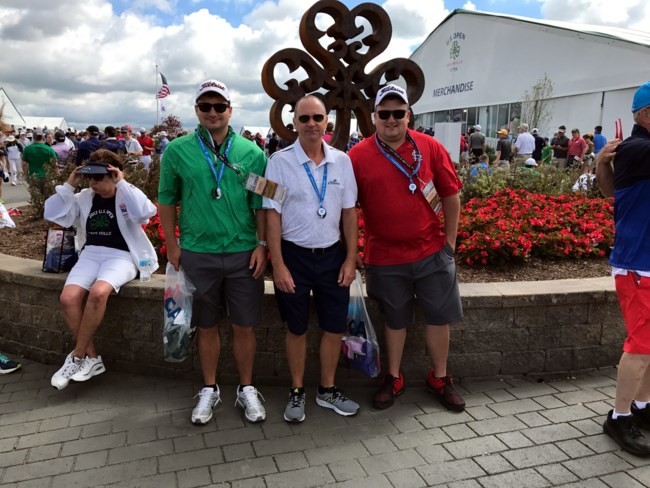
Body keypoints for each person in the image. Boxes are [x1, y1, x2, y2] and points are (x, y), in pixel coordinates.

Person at [348, 84, 465, 412]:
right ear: (374, 117)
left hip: (432, 253)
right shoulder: (358, 156)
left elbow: (450, 194)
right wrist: (352, 249)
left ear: (408, 115)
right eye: (384, 113)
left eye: (398, 113)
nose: (391, 119)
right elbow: (347, 208)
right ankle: (393, 377)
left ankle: (439, 377)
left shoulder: (430, 147)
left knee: (439, 318)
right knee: (394, 320)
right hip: (385, 257)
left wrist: (450, 243)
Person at [158, 79, 268, 425]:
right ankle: (209, 388)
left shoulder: (252, 153)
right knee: (206, 326)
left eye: (219, 106)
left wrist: (262, 245)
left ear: (230, 111)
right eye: (205, 106)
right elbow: (166, 200)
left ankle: (246, 388)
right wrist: (172, 245)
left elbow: (262, 203)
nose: (213, 112)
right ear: (196, 110)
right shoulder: (177, 151)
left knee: (244, 326)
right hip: (198, 253)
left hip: (243, 253)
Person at [264, 95, 360, 423]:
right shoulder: (278, 162)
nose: (311, 124)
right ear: (294, 122)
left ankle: (327, 389)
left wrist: (350, 259)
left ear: (326, 121)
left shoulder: (342, 161)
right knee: (296, 328)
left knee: (334, 327)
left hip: (332, 256)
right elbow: (272, 214)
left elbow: (349, 213)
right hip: (294, 257)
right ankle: (296, 390)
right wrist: (278, 264)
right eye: (304, 118)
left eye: (317, 117)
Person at [44, 149, 158, 390]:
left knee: (98, 293)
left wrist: (122, 183)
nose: (93, 183)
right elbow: (53, 214)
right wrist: (69, 185)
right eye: (89, 177)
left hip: (122, 256)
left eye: (98, 177)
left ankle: (77, 356)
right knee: (68, 299)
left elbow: (146, 212)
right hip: (91, 253)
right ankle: (92, 358)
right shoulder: (85, 197)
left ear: (114, 175)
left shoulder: (127, 195)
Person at [596, 81, 650, 457]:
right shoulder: (637, 148)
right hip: (637, 266)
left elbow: (609, 192)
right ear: (645, 114)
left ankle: (642, 407)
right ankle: (619, 416)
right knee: (641, 346)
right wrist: (601, 161)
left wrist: (601, 163)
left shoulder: (634, 150)